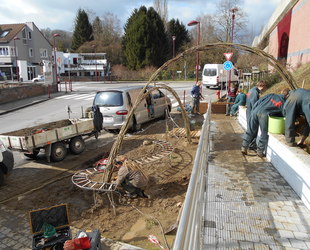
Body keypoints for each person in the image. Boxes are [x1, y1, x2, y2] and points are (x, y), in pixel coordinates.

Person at [241, 88, 290, 157]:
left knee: (251, 130)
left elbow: (258, 101)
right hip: (263, 115)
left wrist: (254, 110)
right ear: (287, 96)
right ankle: (260, 151)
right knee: (264, 133)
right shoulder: (283, 102)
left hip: (255, 111)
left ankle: (244, 146)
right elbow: (283, 114)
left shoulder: (271, 95)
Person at [245, 80, 267, 149]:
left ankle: (248, 144)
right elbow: (254, 104)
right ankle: (251, 145)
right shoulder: (255, 92)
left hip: (249, 110)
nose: (263, 90)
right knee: (253, 129)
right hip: (252, 112)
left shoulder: (251, 90)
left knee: (250, 128)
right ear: (261, 86)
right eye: (264, 88)